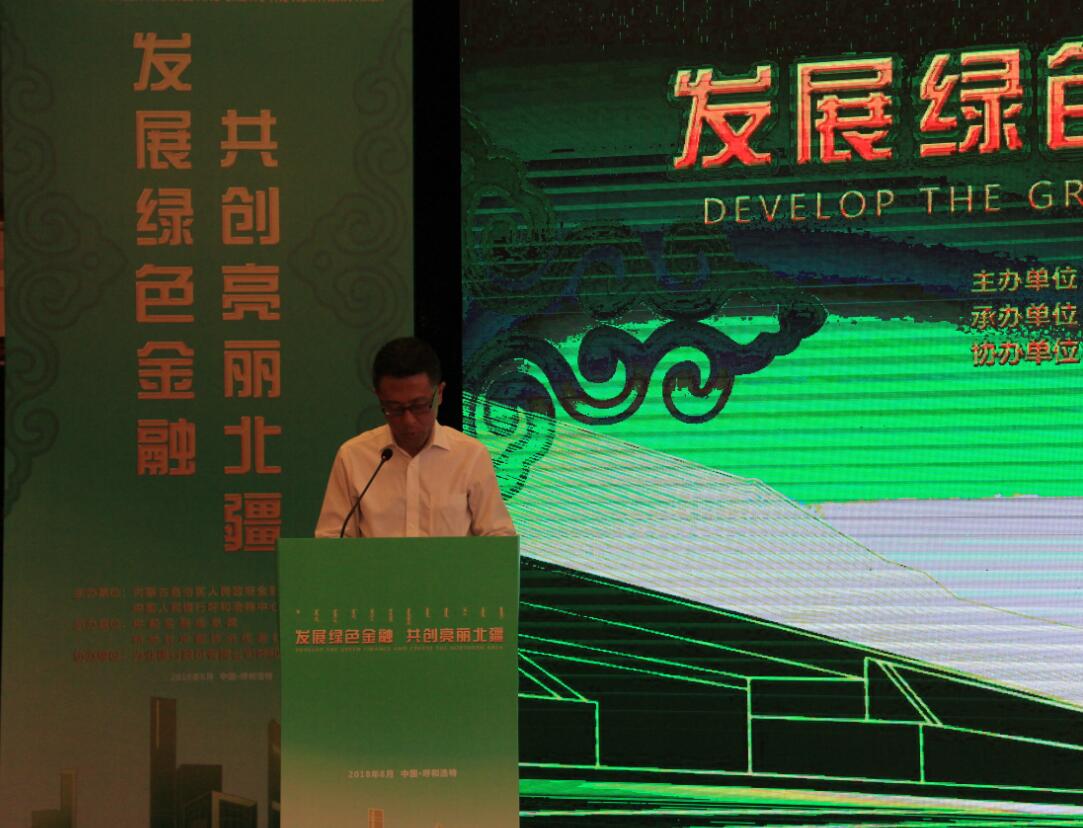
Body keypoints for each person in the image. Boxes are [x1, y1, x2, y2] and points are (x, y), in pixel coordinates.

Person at [315, 336, 516, 538]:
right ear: (379, 398)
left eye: (419, 406)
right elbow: (332, 540)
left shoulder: (470, 455)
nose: (409, 420)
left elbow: (499, 537)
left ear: (439, 393)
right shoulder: (353, 456)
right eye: (394, 408)